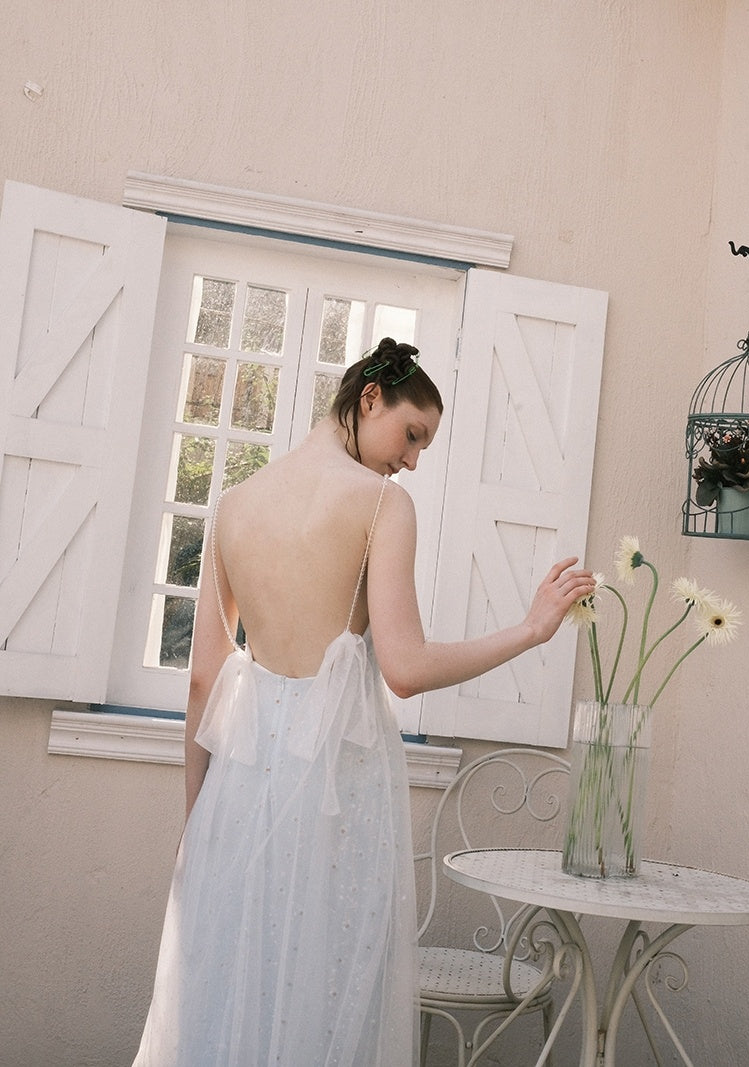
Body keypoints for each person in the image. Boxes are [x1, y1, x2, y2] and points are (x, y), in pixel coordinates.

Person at [132, 337, 594, 1067]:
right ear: (370, 396)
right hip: (332, 798)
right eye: (413, 434)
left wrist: (196, 830)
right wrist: (532, 630)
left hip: (236, 799)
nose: (412, 459)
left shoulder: (233, 505)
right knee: (324, 998)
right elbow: (404, 669)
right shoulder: (383, 504)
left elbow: (204, 683)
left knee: (229, 999)